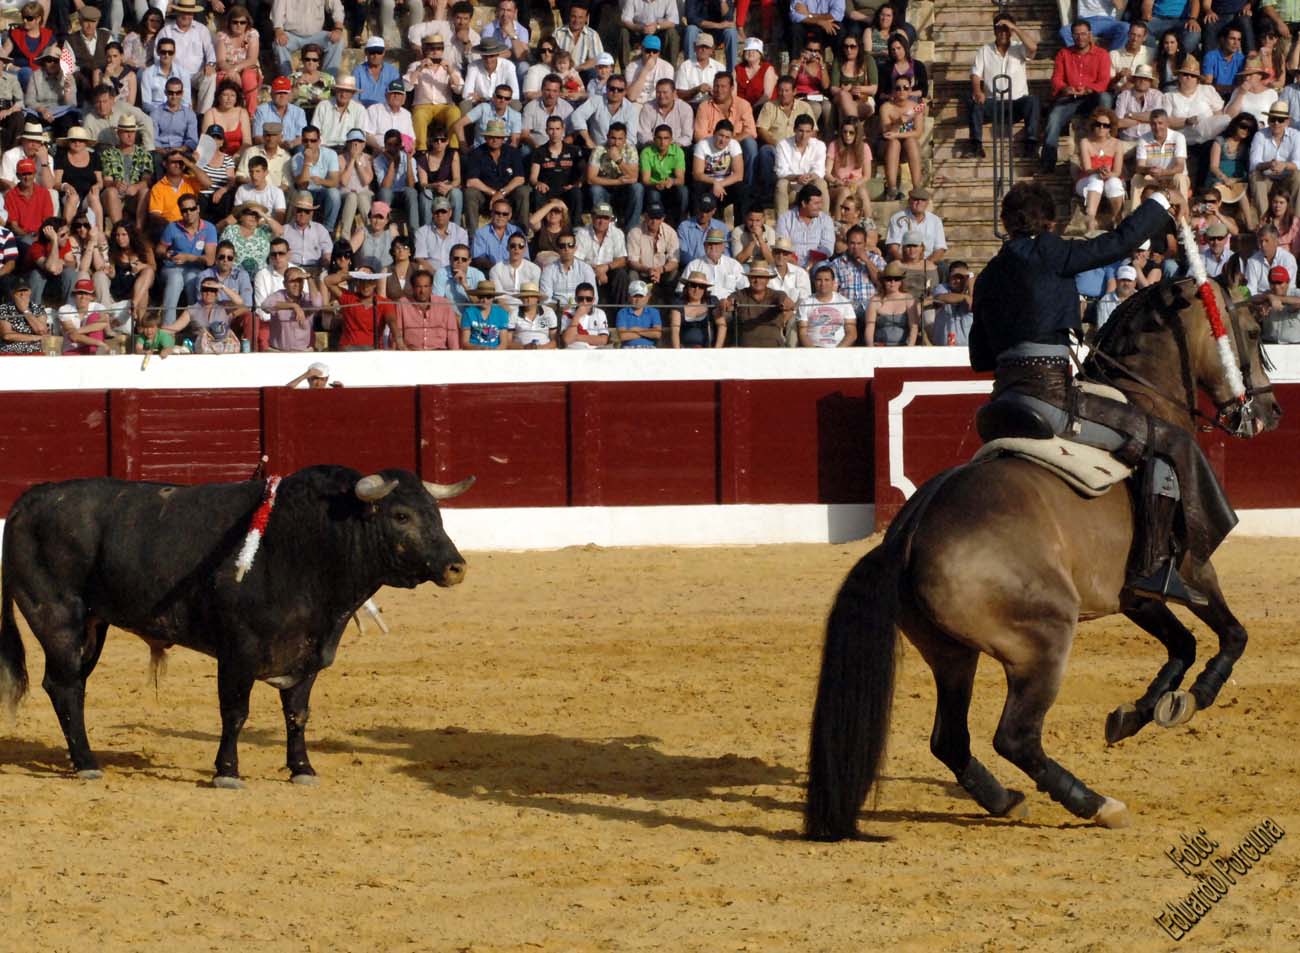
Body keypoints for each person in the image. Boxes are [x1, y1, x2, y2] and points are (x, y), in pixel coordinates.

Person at [969, 180, 1226, 607]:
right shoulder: (1051, 251)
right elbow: (1119, 242)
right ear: (1050, 222)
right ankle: (1153, 567)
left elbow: (980, 355)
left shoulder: (990, 273)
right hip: (1050, 399)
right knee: (1164, 439)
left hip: (1001, 402)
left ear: (1004, 224)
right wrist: (1159, 202)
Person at [1041, 20, 1114, 173]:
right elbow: (1056, 79)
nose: (1080, 37)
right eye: (1076, 34)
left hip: (1091, 97)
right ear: (1072, 36)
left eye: (1083, 34)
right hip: (1070, 99)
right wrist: (1064, 88)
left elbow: (1104, 81)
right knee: (1053, 117)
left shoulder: (1102, 54)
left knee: (1105, 98)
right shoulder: (1064, 54)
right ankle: (1048, 163)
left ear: (1090, 35)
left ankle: (1107, 146)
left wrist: (1088, 89)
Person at [967, 12, 1040, 160]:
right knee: (974, 102)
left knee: (1033, 101)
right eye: (999, 29)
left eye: (1006, 29)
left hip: (1016, 102)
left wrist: (1014, 28)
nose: (1002, 33)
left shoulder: (1019, 47)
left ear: (1011, 31)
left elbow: (1033, 48)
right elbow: (975, 75)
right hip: (994, 102)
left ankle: (1031, 144)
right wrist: (977, 91)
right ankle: (976, 146)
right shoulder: (984, 50)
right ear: (994, 31)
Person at [463, 118, 529, 234]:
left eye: (498, 137)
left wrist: (502, 193)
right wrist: (494, 193)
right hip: (486, 198)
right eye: (491, 136)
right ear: (485, 137)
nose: (494, 140)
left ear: (503, 139)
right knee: (470, 192)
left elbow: (520, 178)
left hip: (508, 196)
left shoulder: (513, 152)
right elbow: (471, 181)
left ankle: (522, 233)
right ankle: (472, 235)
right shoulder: (476, 153)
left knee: (523, 191)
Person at [1076, 108, 1127, 232]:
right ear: (1092, 125)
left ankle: (1118, 218)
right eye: (1098, 124)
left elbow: (1117, 171)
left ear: (1111, 128)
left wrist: (1109, 174)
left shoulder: (1117, 144)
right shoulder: (1085, 142)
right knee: (1096, 179)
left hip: (1111, 179)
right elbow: (1087, 169)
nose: (1101, 128)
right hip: (1087, 180)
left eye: (1105, 125)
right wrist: (1097, 170)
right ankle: (1090, 219)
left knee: (1114, 182)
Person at [272, 0, 347, 80]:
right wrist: (279, 31)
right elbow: (278, 11)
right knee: (278, 44)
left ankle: (327, 82)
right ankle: (289, 82)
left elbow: (337, 6)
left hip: (316, 34)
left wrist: (338, 29)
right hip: (292, 35)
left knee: (338, 42)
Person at [1249, 101, 1300, 218]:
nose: (1276, 123)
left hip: (1287, 179)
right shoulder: (1260, 135)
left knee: (1298, 176)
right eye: (1273, 119)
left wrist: (1284, 165)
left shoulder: (1296, 135)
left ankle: (1296, 223)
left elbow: (1299, 162)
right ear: (1268, 120)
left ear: (1287, 122)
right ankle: (1265, 221)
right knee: (1255, 175)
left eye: (1280, 120)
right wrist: (1269, 164)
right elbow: (1253, 164)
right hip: (1266, 179)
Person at [588, 122, 643, 228]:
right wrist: (617, 182)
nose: (616, 142)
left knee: (638, 188)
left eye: (620, 139)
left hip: (624, 189)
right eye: (613, 138)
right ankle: (603, 226)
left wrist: (619, 160)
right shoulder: (599, 149)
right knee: (595, 189)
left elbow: (634, 177)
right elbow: (591, 179)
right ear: (607, 136)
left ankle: (631, 228)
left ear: (625, 139)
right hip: (606, 188)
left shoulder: (630, 149)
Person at [878, 76, 925, 201]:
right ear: (893, 91)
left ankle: (917, 188)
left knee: (911, 142)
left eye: (905, 88)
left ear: (910, 90)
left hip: (907, 144)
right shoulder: (886, 108)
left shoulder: (916, 107)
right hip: (887, 145)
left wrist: (898, 134)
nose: (902, 91)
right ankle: (892, 188)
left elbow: (918, 133)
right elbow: (887, 134)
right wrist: (899, 122)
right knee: (894, 143)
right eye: (898, 88)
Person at [392, 268, 461, 350]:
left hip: (439, 354)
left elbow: (452, 334)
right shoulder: (402, 304)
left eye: (426, 286)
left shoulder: (444, 304)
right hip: (412, 354)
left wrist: (454, 357)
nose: (422, 291)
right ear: (412, 287)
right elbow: (397, 333)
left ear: (431, 287)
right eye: (418, 287)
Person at [726, 262, 793, 347]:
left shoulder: (777, 294)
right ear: (749, 278)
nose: (757, 280)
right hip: (745, 352)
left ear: (767, 280)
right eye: (754, 277)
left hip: (774, 350)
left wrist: (787, 304)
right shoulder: (740, 294)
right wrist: (726, 304)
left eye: (761, 277)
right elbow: (729, 302)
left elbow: (787, 301)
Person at [626, 198, 679, 301]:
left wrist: (660, 270)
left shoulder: (671, 232)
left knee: (674, 272)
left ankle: (670, 304)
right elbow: (632, 261)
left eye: (658, 217)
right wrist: (648, 270)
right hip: (642, 272)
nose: (654, 221)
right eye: (651, 217)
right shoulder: (634, 232)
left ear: (663, 218)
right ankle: (635, 304)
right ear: (645, 216)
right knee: (632, 273)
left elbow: (674, 261)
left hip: (662, 273)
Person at [797, 264, 858, 348]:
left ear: (833, 282)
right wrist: (814, 353)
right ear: (814, 282)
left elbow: (851, 333)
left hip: (839, 349)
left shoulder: (845, 302)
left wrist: (837, 352)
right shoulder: (806, 303)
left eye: (826, 280)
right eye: (819, 280)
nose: (822, 283)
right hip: (814, 350)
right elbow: (802, 334)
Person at [540, 231, 597, 307]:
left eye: (570, 245)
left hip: (581, 310)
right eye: (562, 246)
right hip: (557, 312)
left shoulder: (586, 269)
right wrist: (560, 309)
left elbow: (593, 298)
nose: (566, 248)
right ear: (557, 249)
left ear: (575, 248)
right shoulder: (548, 271)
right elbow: (545, 300)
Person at [416, 195, 469, 273]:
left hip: (455, 274)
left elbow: (463, 258)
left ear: (450, 213)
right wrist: (437, 275)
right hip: (430, 276)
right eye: (437, 211)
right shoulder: (422, 232)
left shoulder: (461, 233)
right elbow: (420, 259)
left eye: (443, 211)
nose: (440, 214)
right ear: (432, 213)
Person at [927, 260, 975, 345]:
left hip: (966, 349)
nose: (958, 281)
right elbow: (941, 298)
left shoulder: (972, 291)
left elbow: (972, 304)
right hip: (943, 348)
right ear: (949, 277)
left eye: (961, 277)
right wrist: (964, 297)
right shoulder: (941, 288)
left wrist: (971, 279)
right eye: (955, 277)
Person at [670, 269, 722, 347]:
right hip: (685, 350)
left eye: (701, 287)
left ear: (705, 290)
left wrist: (717, 350)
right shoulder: (678, 303)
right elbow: (675, 330)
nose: (696, 290)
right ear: (687, 287)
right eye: (693, 285)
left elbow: (722, 325)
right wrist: (678, 353)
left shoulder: (711, 301)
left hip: (707, 349)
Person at [473, 197, 526, 272]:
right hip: (490, 273)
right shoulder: (480, 233)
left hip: (515, 272)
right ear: (492, 213)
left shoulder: (517, 231)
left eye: (505, 214)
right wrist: (498, 270)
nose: (501, 216)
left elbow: (525, 256)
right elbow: (478, 259)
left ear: (510, 215)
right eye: (497, 213)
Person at [0, 279, 48, 354]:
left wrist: (25, 311)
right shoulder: (4, 309)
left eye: (25, 290)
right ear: (12, 293)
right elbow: (7, 335)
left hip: (35, 350)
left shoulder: (38, 308)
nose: (22, 294)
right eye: (19, 291)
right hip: (11, 350)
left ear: (30, 292)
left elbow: (42, 331)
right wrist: (35, 338)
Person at [1254, 263, 1300, 341]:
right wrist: (1269, 297)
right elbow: (1250, 299)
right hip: (1269, 346)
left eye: (1279, 282)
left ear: (1288, 282)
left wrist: (1275, 298)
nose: (1276, 286)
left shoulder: (1296, 293)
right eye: (1273, 283)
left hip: (1294, 348)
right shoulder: (1266, 295)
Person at [433, 242, 486, 310]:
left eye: (464, 259)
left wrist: (465, 285)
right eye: (456, 258)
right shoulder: (441, 273)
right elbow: (437, 304)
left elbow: (483, 306)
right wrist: (456, 318)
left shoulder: (478, 275)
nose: (459, 262)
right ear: (450, 259)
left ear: (469, 261)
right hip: (448, 317)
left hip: (473, 317)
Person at [461, 279, 512, 349]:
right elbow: (465, 342)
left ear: (493, 297)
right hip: (474, 354)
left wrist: (494, 353)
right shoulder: (468, 312)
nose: (485, 300)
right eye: (481, 296)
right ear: (477, 296)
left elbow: (503, 343)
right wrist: (480, 349)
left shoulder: (502, 313)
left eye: (488, 296)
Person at [508, 282, 558, 348]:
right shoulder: (514, 313)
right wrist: (524, 347)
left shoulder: (548, 312)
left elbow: (555, 340)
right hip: (520, 353)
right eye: (526, 297)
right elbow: (507, 342)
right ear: (521, 298)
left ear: (538, 298)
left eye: (532, 296)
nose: (529, 300)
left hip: (545, 352)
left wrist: (541, 348)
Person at [614, 279, 662, 347]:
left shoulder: (654, 312)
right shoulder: (622, 313)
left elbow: (657, 334)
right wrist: (647, 333)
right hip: (628, 350)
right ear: (629, 297)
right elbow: (623, 336)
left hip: (649, 350)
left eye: (641, 296)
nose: (638, 300)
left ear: (647, 297)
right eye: (635, 296)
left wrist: (637, 330)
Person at [1094, 262, 1138, 330]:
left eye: (1129, 280)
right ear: (1117, 281)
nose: (1126, 284)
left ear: (1135, 283)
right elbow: (1102, 329)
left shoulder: (1143, 299)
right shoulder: (1104, 301)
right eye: (1123, 280)